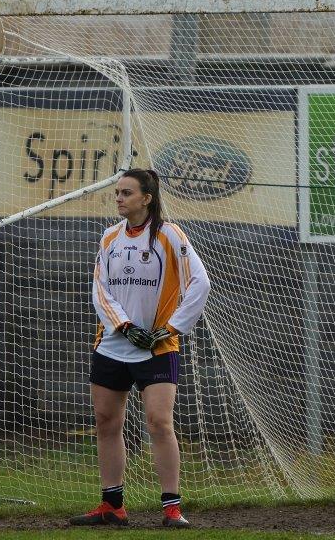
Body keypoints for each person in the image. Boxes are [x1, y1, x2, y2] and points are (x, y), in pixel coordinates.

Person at [70, 168, 211, 529]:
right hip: (113, 344)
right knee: (106, 421)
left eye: (126, 193)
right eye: (117, 192)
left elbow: (200, 283)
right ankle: (112, 506)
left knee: (159, 422)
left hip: (158, 347)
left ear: (146, 199)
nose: (118, 198)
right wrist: (126, 326)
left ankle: (172, 509)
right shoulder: (109, 237)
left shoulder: (170, 236)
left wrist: (170, 329)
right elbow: (100, 290)